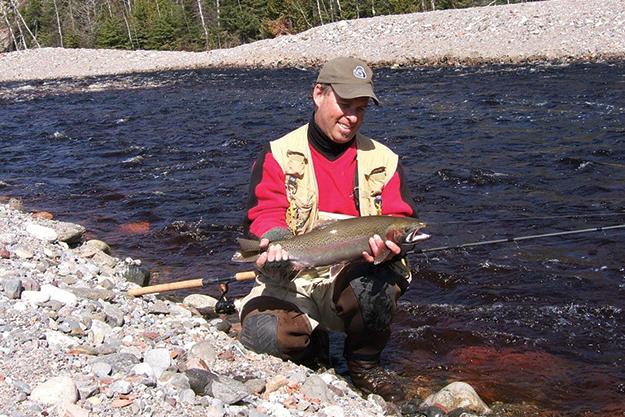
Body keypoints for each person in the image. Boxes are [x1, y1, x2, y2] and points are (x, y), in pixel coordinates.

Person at [236, 56, 418, 402]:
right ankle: (311, 347)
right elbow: (264, 212)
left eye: (361, 109)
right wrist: (275, 242)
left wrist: (393, 251)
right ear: (318, 94)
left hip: (352, 278)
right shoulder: (278, 154)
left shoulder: (385, 160)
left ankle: (364, 365)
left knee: (376, 287)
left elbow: (401, 216)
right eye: (345, 105)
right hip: (292, 279)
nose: (352, 118)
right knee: (265, 336)